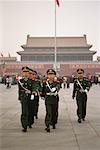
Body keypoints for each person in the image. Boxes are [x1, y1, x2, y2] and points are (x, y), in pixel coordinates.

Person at [18, 66, 32, 132]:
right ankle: (24, 126)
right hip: (24, 97)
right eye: (24, 72)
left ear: (29, 73)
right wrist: (20, 97)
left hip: (31, 98)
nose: (25, 73)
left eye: (27, 72)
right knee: (24, 112)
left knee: (30, 111)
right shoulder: (20, 81)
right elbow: (19, 90)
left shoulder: (32, 81)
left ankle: (29, 122)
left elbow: (34, 88)